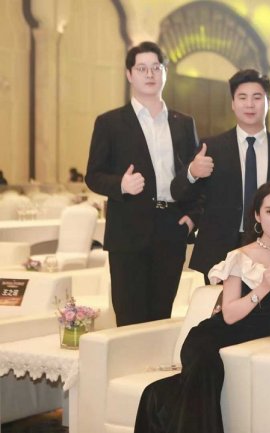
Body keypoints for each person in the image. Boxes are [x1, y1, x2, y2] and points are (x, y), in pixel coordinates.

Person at [134, 180, 270, 433]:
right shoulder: (240, 256)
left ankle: (155, 400)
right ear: (257, 216)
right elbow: (228, 314)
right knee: (208, 377)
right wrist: (262, 287)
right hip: (209, 341)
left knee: (167, 395)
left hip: (244, 347)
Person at [86, 41, 199, 326]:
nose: (150, 74)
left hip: (172, 229)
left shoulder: (183, 123)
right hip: (128, 230)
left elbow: (195, 177)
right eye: (142, 68)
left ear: (165, 73)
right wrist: (121, 185)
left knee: (161, 317)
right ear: (129, 74)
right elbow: (93, 175)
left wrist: (192, 218)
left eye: (156, 68)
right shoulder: (110, 122)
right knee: (129, 316)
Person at [171, 69, 270, 283]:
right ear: (233, 103)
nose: (249, 104)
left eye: (257, 97)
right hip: (220, 250)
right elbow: (177, 191)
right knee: (219, 305)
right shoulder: (211, 147)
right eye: (242, 97)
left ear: (268, 102)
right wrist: (192, 172)